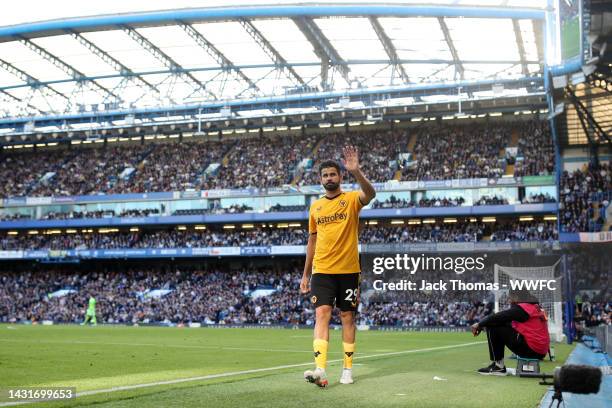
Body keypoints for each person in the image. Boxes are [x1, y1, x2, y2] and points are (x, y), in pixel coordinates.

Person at [300, 146, 376, 387]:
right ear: (320, 179)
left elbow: (371, 194)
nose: (329, 178)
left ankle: (347, 369)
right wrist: (305, 274)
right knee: (321, 313)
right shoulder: (315, 207)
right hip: (321, 270)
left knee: (347, 317)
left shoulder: (352, 199)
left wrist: (357, 171)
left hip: (348, 270)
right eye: (325, 175)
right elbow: (312, 240)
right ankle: (320, 368)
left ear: (340, 177)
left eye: (333, 174)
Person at [471, 290, 549, 375]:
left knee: (493, 325)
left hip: (532, 350)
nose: (509, 300)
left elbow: (498, 317)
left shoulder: (522, 308)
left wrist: (479, 324)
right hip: (541, 351)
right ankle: (498, 366)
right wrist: (482, 325)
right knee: (497, 322)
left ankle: (498, 367)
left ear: (516, 297)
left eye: (510, 297)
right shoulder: (535, 306)